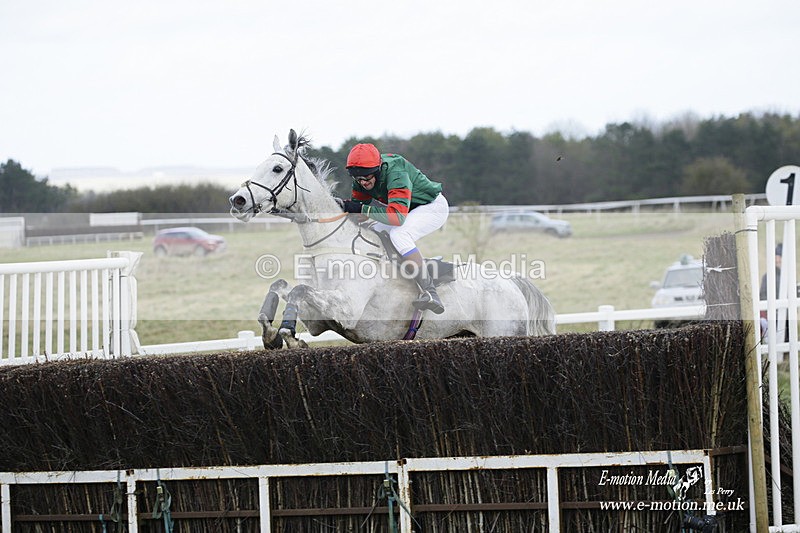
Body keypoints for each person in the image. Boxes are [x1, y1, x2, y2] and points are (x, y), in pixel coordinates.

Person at [340, 143, 448, 314]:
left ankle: (430, 291)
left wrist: (362, 209)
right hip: (407, 210)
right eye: (358, 179)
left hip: (432, 207)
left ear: (377, 170)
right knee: (372, 231)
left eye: (366, 177)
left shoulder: (396, 173)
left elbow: (397, 218)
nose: (363, 183)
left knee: (399, 235)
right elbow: (360, 212)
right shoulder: (361, 178)